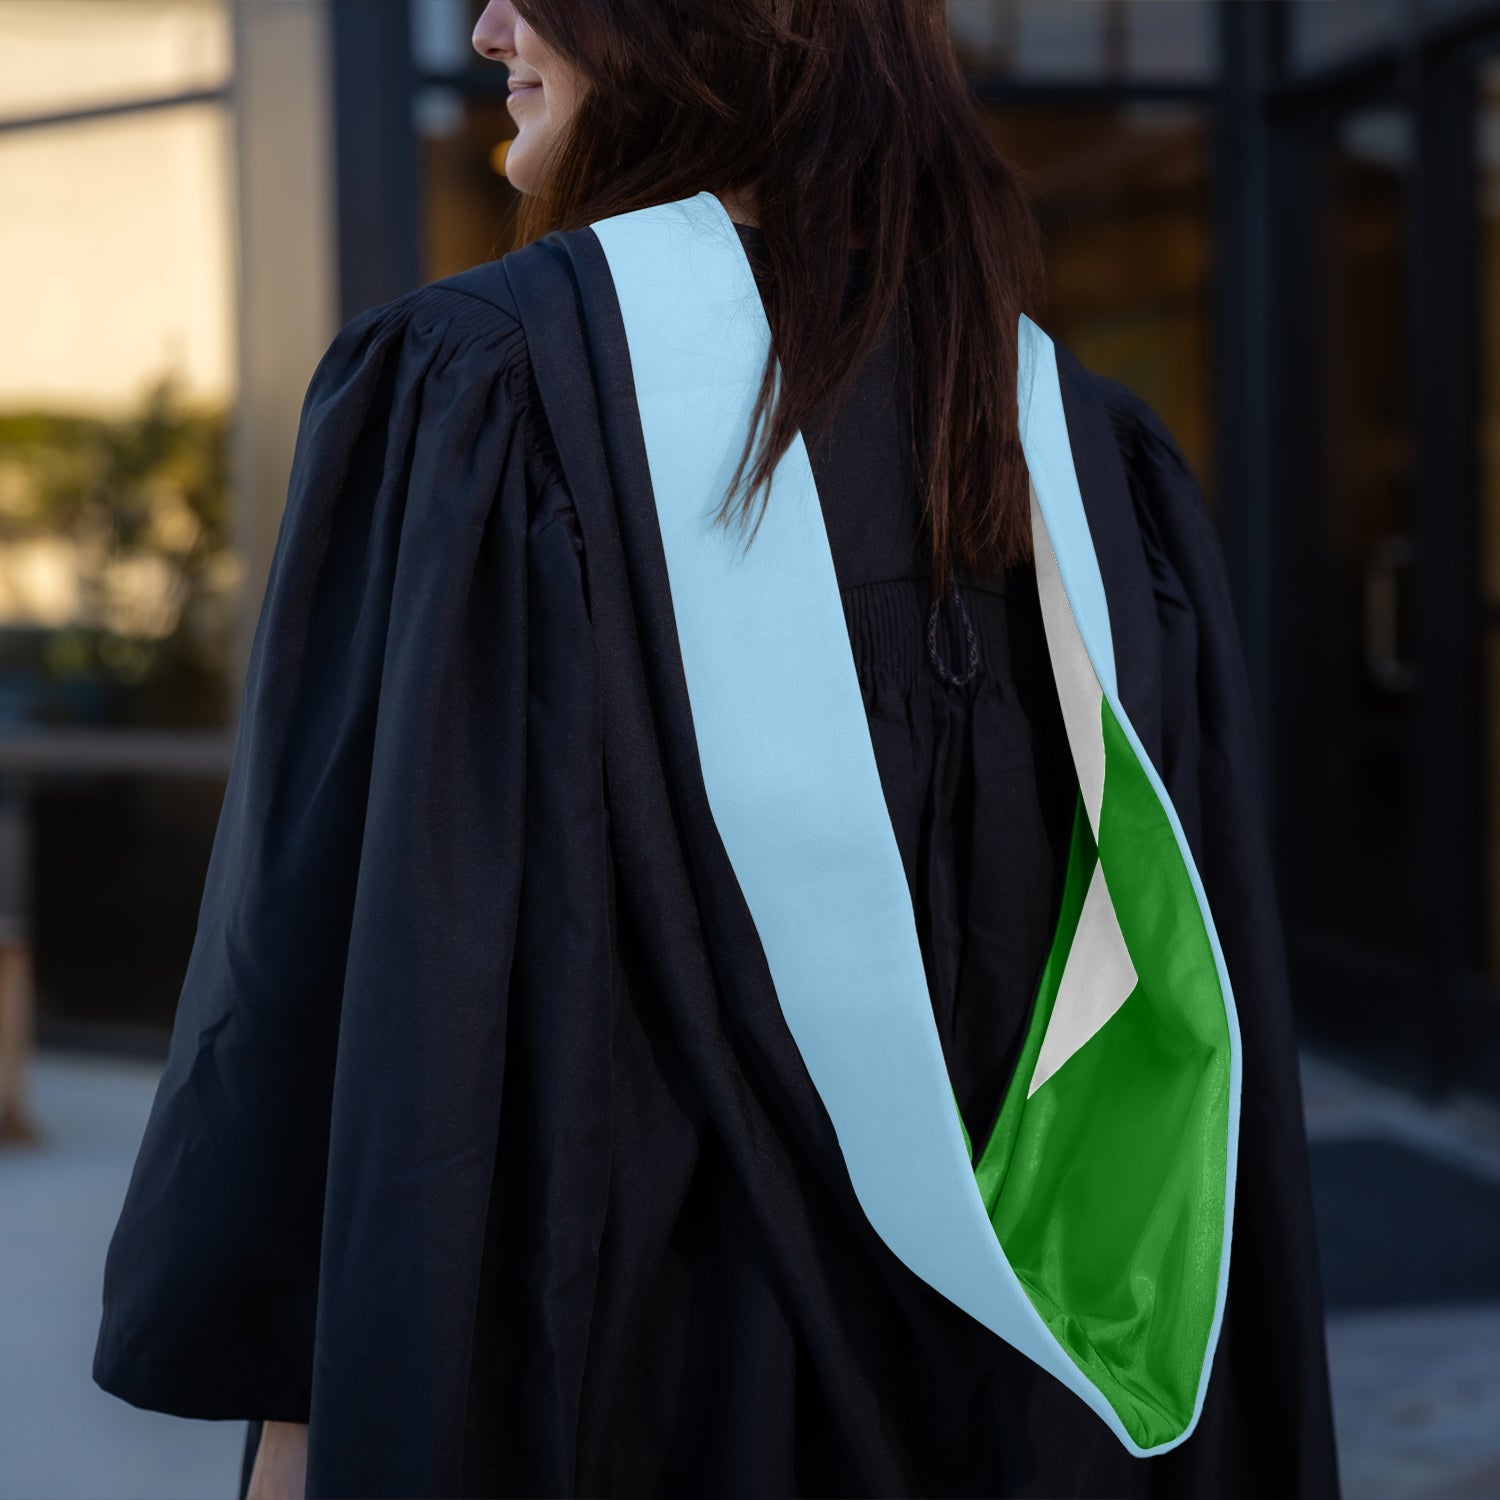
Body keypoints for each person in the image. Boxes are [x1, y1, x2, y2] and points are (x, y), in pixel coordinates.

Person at [92, 3, 1341, 1497]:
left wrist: (296, 1440)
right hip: (1028, 1424)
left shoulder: (484, 398)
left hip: (620, 1397)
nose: (489, 24)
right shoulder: (1082, 459)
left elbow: (330, 1013)